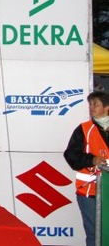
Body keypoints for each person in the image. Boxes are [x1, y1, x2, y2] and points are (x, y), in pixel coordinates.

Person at [63, 90, 109, 246]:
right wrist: (91, 159)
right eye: (90, 104)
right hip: (89, 191)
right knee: (94, 233)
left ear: (107, 107)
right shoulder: (84, 129)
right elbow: (70, 155)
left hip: (107, 190)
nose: (91, 107)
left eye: (95, 104)